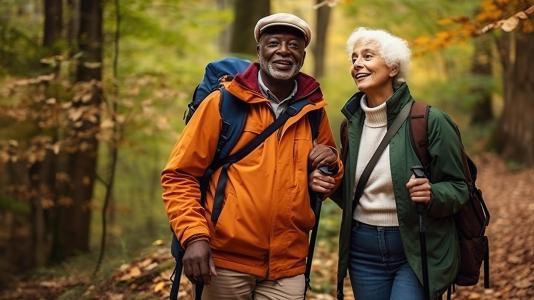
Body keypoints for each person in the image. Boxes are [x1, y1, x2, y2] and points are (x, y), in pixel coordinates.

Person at [161, 13, 343, 300]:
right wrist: (194, 236)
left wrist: (329, 165)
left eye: (293, 45)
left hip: (289, 265)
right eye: (274, 43)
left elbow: (329, 171)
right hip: (225, 263)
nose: (284, 51)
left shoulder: (313, 110)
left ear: (303, 55)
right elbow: (180, 175)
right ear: (259, 50)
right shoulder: (222, 103)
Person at [324, 27, 470, 300]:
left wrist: (433, 193)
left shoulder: (429, 121)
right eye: (354, 58)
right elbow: (352, 193)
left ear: (392, 67)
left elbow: (460, 187)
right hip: (362, 252)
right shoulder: (350, 125)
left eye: (368, 56)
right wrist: (328, 181)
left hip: (416, 248)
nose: (357, 64)